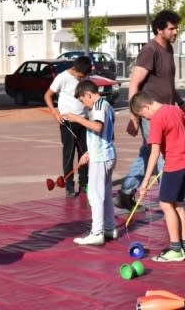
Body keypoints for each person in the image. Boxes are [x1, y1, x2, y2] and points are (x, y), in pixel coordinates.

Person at [114, 10, 185, 211]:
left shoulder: (169, 49)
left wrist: (181, 104)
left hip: (167, 111)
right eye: (172, 28)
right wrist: (134, 116)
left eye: (176, 27)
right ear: (159, 30)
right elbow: (134, 84)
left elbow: (168, 84)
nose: (176, 32)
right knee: (166, 154)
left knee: (148, 153)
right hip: (150, 113)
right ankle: (170, 204)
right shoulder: (150, 50)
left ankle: (125, 193)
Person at [131, 91, 185, 262]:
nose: (145, 119)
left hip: (175, 165)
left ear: (146, 106)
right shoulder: (174, 109)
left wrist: (145, 181)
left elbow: (154, 152)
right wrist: (181, 144)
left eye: (142, 115)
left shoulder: (157, 120)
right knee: (178, 206)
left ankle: (175, 249)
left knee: (165, 204)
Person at [63, 80, 117, 245]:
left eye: (82, 100)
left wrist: (76, 119)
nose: (83, 104)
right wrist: (88, 152)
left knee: (95, 195)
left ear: (88, 94)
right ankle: (108, 228)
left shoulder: (99, 106)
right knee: (105, 194)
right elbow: (106, 134)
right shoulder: (106, 106)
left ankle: (97, 232)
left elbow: (98, 127)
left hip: (101, 157)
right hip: (104, 154)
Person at [44, 56, 91, 198]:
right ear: (74, 69)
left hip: (84, 121)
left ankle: (84, 183)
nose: (82, 78)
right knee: (69, 154)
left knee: (84, 154)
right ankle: (69, 186)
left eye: (84, 76)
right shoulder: (62, 78)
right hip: (67, 122)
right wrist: (55, 112)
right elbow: (48, 95)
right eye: (80, 76)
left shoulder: (83, 78)